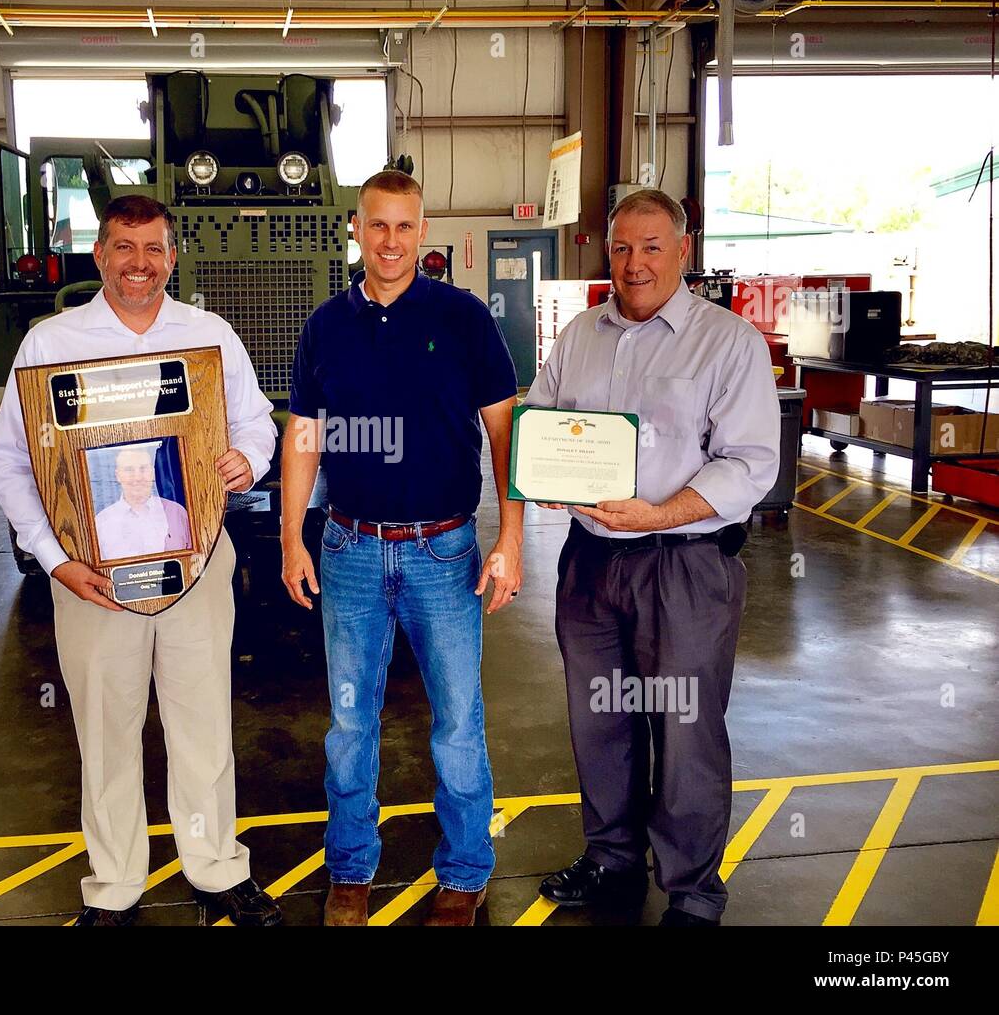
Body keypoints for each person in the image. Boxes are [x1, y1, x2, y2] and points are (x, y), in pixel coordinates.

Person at [0, 194, 281, 926]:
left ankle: (216, 869)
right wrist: (54, 560)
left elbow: (255, 422)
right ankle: (115, 885)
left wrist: (248, 456)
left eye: (153, 249)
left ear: (173, 257)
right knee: (107, 729)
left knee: (203, 723)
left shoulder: (208, 334)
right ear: (101, 255)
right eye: (124, 247)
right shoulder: (51, 344)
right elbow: (10, 462)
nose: (139, 264)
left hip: (197, 558)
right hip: (91, 578)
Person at [526, 188, 780, 926]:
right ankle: (611, 861)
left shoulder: (726, 341)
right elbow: (543, 417)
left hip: (684, 564)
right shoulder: (580, 336)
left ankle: (694, 891)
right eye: (621, 249)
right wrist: (542, 476)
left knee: (684, 727)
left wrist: (662, 512)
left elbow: (750, 464)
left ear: (682, 250)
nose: (634, 264)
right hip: (591, 560)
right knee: (600, 721)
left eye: (651, 247)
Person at [280, 169, 523, 927]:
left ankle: (464, 871)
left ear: (424, 232)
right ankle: (351, 868)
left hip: (444, 551)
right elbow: (304, 438)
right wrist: (293, 536)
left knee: (457, 720)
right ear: (356, 228)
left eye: (405, 227)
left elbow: (505, 432)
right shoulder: (325, 325)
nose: (391, 242)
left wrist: (510, 539)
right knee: (350, 720)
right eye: (377, 226)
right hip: (349, 547)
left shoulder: (464, 318)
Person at [93, 444, 191, 560]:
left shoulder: (177, 513)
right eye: (129, 470)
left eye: (143, 469)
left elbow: (195, 563)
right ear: (118, 475)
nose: (138, 477)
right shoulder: (101, 523)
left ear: (152, 472)